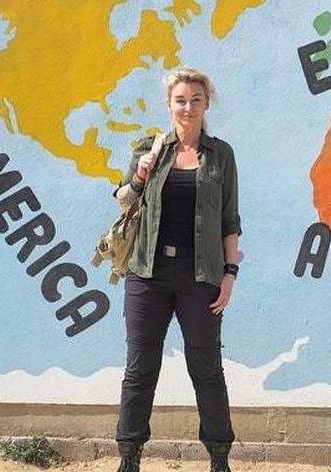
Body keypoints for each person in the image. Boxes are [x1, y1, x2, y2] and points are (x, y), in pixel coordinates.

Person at [112, 68, 242, 472]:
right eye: (180, 100)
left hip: (201, 278)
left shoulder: (221, 155)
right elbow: (123, 200)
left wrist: (230, 274)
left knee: (207, 369)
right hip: (147, 275)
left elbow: (230, 219)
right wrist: (140, 174)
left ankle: (219, 457)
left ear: (206, 103)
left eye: (196, 99)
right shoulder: (149, 148)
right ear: (170, 105)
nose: (188, 107)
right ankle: (129, 456)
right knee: (140, 368)